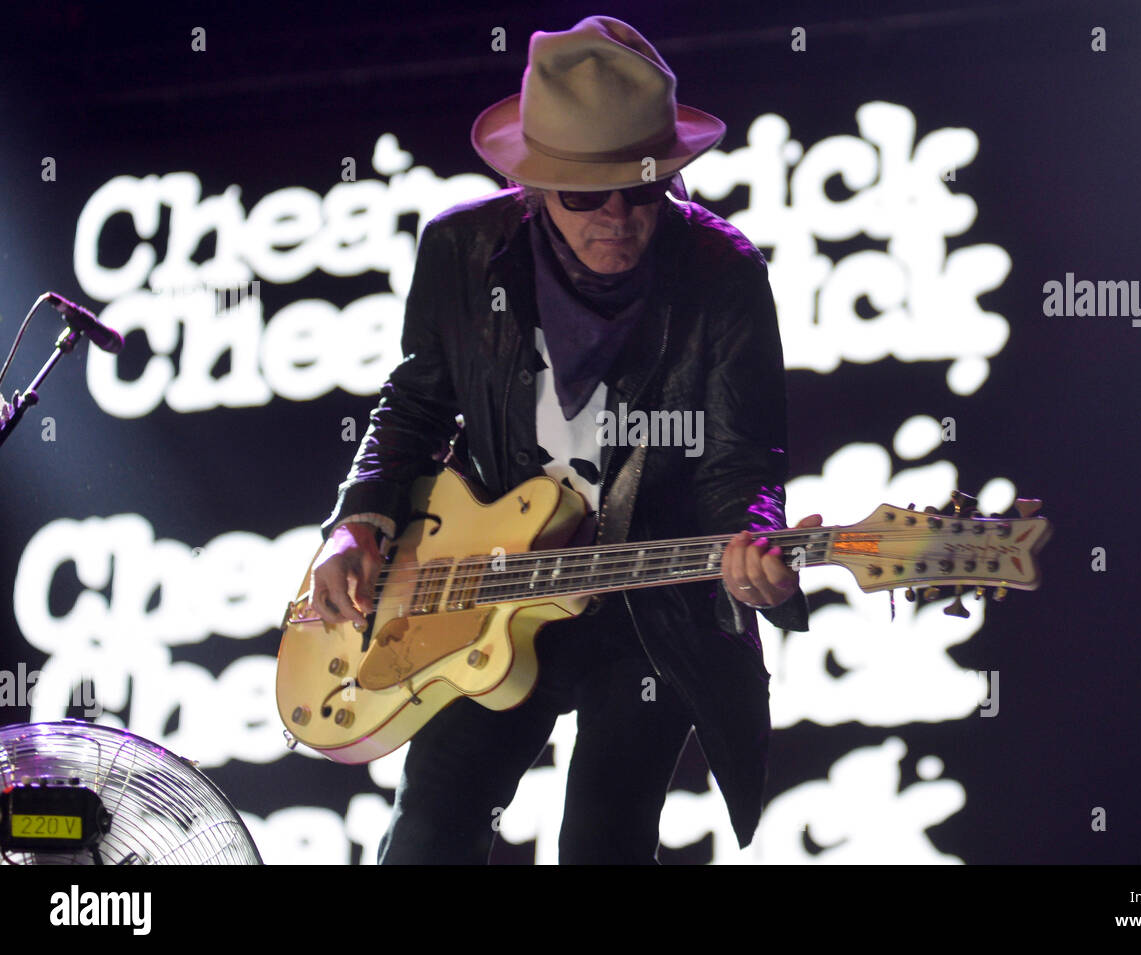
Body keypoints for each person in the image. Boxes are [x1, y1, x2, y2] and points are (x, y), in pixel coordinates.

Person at [308, 15, 819, 864]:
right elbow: (415, 410)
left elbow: (742, 466)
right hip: (487, 586)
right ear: (538, 185)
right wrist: (356, 523)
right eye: (586, 195)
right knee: (429, 832)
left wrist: (756, 557)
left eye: (644, 191)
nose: (617, 218)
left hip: (648, 609)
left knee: (603, 845)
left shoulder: (725, 276)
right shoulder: (461, 251)